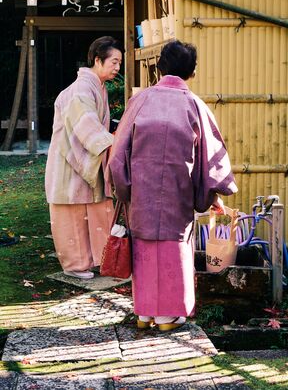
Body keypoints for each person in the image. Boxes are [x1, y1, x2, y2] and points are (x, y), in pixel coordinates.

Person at [107, 40, 238, 331]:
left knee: (144, 251)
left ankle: (144, 314)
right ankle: (167, 317)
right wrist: (208, 196)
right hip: (177, 196)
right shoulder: (195, 106)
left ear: (160, 68)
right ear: (192, 71)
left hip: (140, 195)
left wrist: (126, 191)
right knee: (172, 249)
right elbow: (209, 159)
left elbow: (117, 155)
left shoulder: (139, 102)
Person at [45, 36, 122, 279]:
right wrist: (113, 142)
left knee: (96, 208)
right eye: (114, 62)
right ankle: (75, 266)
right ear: (98, 60)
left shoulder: (95, 86)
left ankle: (98, 259)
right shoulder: (81, 89)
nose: (117, 68)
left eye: (119, 63)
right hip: (70, 159)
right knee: (73, 213)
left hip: (85, 157)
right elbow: (85, 124)